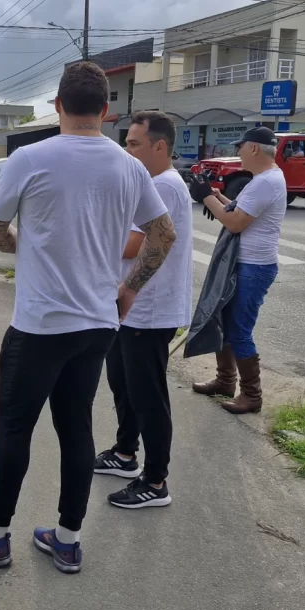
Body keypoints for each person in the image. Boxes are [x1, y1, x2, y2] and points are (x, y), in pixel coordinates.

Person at [0, 62, 176, 574]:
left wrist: (31, 249)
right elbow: (163, 235)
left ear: (58, 106)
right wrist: (129, 290)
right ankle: (67, 539)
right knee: (76, 430)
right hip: (97, 324)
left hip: (41, 323)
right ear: (106, 110)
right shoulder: (130, 166)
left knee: (13, 429)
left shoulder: (31, 157)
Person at [94, 110, 193, 510]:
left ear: (160, 146)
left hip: (149, 309)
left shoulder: (164, 186)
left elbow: (133, 246)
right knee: (124, 384)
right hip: (130, 307)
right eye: (126, 142)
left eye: (134, 144)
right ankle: (125, 454)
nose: (127, 150)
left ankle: (156, 481)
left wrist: (86, 243)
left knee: (148, 395)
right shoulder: (151, 182)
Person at [191, 126, 286, 415]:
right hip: (246, 264)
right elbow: (235, 210)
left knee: (239, 331)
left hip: (254, 267)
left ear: (255, 148)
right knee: (224, 320)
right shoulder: (265, 179)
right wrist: (217, 196)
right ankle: (224, 381)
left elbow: (234, 223)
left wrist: (205, 196)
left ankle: (251, 396)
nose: (238, 153)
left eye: (241, 147)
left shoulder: (265, 182)